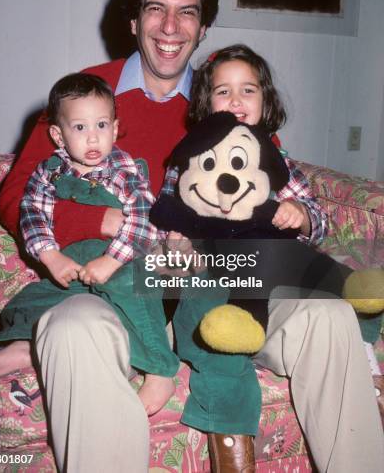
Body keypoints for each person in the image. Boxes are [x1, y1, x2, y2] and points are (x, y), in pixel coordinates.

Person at [0, 0, 383, 472]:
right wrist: (104, 220)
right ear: (133, 19)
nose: (170, 26)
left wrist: (299, 223)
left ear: (203, 27)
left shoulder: (224, 101)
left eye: (186, 11)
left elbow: (277, 191)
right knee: (72, 327)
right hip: (121, 280)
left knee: (327, 315)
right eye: (155, 9)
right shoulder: (86, 99)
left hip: (225, 284)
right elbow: (16, 196)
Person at [160, 43, 384, 471]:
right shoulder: (186, 160)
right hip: (219, 288)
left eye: (248, 90)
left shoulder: (276, 159)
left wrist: (300, 216)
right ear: (206, 104)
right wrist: (177, 244)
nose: (237, 100)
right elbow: (165, 222)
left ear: (265, 101)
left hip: (279, 283)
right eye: (223, 92)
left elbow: (318, 220)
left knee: (333, 314)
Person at [0, 72, 180, 416]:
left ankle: (161, 369)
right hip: (75, 261)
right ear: (58, 135)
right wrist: (51, 255)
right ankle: (27, 341)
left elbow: (145, 219)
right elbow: (31, 213)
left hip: (127, 260)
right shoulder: (49, 172)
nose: (93, 138)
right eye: (80, 128)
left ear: (115, 129)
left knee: (131, 293)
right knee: (33, 297)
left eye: (102, 125)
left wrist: (112, 261)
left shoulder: (123, 169)